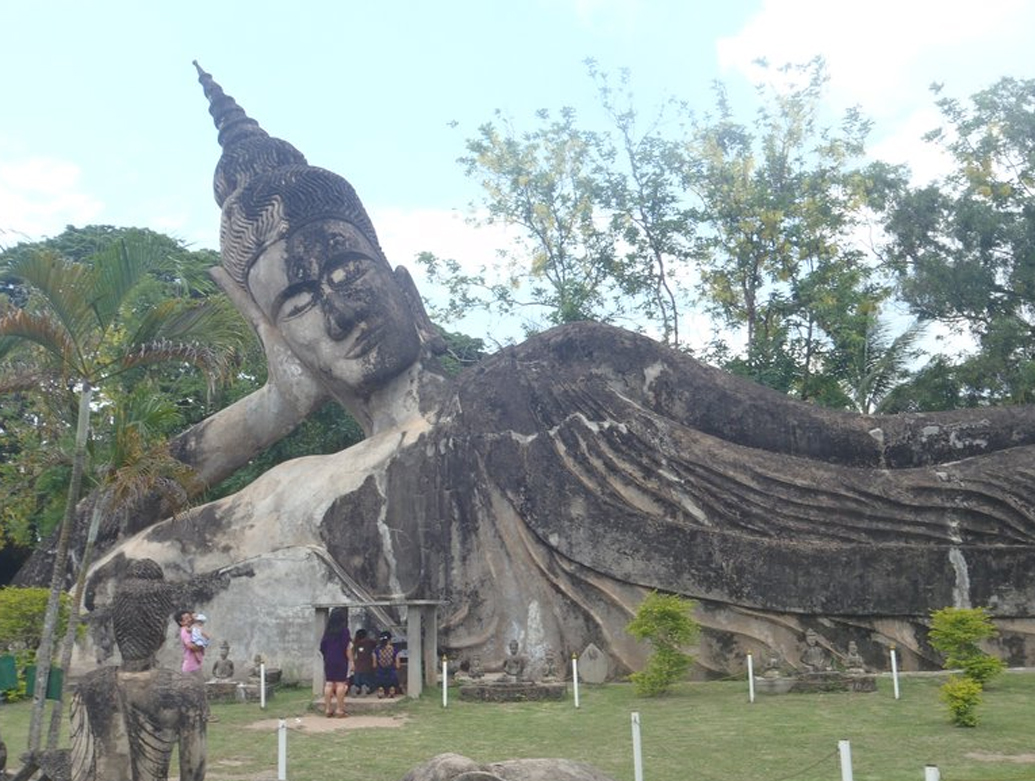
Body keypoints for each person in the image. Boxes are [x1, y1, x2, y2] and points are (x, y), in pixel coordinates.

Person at [81, 65, 1035, 679]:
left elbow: (861, 447)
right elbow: (101, 565)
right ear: (285, 340)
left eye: (348, 271)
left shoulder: (557, 367)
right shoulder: (292, 492)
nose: (339, 308)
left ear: (401, 284)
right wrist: (275, 405)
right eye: (300, 304)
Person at [71, 560, 208, 781]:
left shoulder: (89, 686)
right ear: (161, 632)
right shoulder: (183, 690)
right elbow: (193, 772)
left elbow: (81, 768)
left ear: (117, 629)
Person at [319, 607, 351, 717]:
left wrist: (327, 656)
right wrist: (351, 660)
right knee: (340, 684)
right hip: (341, 659)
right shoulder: (344, 631)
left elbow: (322, 646)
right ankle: (339, 709)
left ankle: (328, 709)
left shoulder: (327, 632)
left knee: (329, 683)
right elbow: (347, 647)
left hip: (328, 660)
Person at [373, 631, 401, 698]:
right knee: (393, 679)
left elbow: (374, 665)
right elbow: (398, 665)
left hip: (380, 675)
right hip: (391, 675)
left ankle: (381, 689)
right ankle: (392, 689)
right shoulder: (395, 650)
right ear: (390, 639)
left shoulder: (376, 650)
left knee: (379, 679)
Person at [177, 609, 204, 674]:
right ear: (181, 622)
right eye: (186, 618)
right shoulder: (185, 631)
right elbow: (190, 645)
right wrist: (201, 647)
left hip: (194, 665)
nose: (189, 619)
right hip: (191, 667)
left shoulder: (190, 630)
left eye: (189, 617)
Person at [350, 629, 376, 696]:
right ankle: (365, 688)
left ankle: (355, 688)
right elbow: (375, 644)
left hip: (357, 668)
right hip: (367, 667)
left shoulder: (355, 645)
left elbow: (352, 655)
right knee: (368, 682)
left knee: (357, 682)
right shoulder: (370, 642)